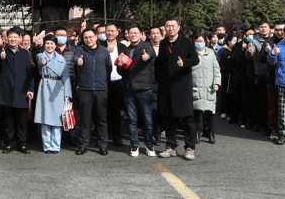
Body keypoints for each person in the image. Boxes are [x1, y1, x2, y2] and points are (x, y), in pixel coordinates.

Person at [156, 16, 199, 160]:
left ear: (178, 27)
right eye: (168, 26)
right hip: (166, 86)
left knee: (187, 118)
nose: (170, 28)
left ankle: (190, 147)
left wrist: (184, 63)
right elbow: (159, 64)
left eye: (173, 26)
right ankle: (171, 146)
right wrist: (157, 81)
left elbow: (195, 59)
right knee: (168, 117)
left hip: (182, 85)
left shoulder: (187, 43)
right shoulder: (163, 44)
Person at [0, 27, 35, 154]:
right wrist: (0, 58)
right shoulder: (1, 51)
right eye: (10, 37)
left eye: (15, 37)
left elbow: (30, 73)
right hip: (6, 91)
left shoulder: (24, 53)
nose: (13, 39)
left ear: (20, 38)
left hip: (21, 91)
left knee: (22, 120)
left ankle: (22, 144)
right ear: (6, 38)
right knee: (8, 120)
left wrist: (30, 88)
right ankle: (9, 143)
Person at [117, 24, 156, 157]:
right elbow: (121, 71)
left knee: (147, 119)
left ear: (141, 34)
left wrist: (147, 57)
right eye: (130, 33)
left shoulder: (146, 46)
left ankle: (149, 145)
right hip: (129, 88)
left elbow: (151, 55)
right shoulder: (126, 50)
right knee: (132, 119)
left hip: (144, 88)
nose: (133, 35)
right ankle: (134, 145)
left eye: (135, 33)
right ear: (127, 35)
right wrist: (120, 66)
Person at [74, 28, 111, 156]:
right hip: (85, 89)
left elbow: (109, 69)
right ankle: (83, 145)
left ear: (96, 37)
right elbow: (75, 60)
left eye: (90, 37)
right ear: (82, 39)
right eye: (85, 37)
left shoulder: (104, 52)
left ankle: (102, 145)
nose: (88, 40)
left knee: (101, 120)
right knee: (85, 120)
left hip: (101, 90)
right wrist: (78, 62)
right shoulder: (80, 51)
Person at [34, 34, 71, 154]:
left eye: (52, 44)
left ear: (55, 45)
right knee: (45, 118)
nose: (49, 46)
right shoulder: (41, 56)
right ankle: (47, 145)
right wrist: (43, 63)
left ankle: (55, 145)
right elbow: (40, 62)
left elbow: (66, 76)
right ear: (44, 45)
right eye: (47, 43)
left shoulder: (61, 58)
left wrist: (67, 93)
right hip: (45, 86)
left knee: (57, 119)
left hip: (58, 87)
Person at [191, 29, 221, 145]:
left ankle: (211, 133)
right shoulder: (191, 52)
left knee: (210, 112)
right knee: (197, 112)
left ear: (206, 41)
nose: (199, 43)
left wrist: (216, 82)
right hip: (196, 86)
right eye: (197, 41)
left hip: (209, 86)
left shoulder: (210, 52)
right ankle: (196, 133)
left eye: (201, 41)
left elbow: (216, 69)